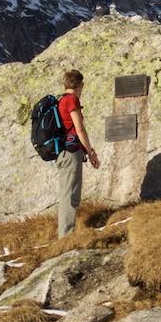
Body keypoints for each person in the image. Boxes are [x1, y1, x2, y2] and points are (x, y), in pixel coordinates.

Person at [56, 69, 99, 236]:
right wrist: (90, 152)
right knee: (70, 195)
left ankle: (66, 233)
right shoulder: (72, 100)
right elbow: (79, 129)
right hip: (72, 151)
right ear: (80, 84)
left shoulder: (60, 100)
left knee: (68, 192)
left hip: (63, 151)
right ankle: (66, 237)